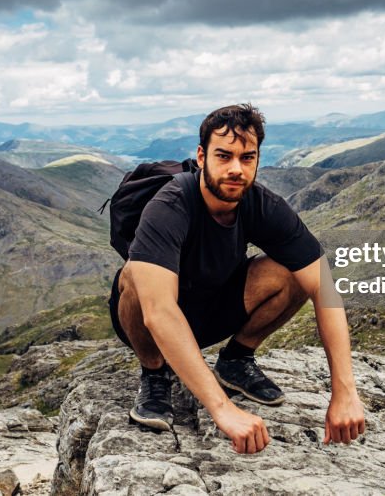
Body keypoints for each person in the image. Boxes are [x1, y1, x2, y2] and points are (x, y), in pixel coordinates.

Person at [108, 104, 366, 454]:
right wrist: (222, 409)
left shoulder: (263, 206)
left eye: (247, 157)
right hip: (152, 323)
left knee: (298, 270)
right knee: (136, 278)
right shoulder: (169, 206)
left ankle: (236, 360)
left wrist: (345, 392)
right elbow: (159, 312)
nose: (236, 169)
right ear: (201, 156)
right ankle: (155, 375)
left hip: (214, 308)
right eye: (224, 155)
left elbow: (324, 286)